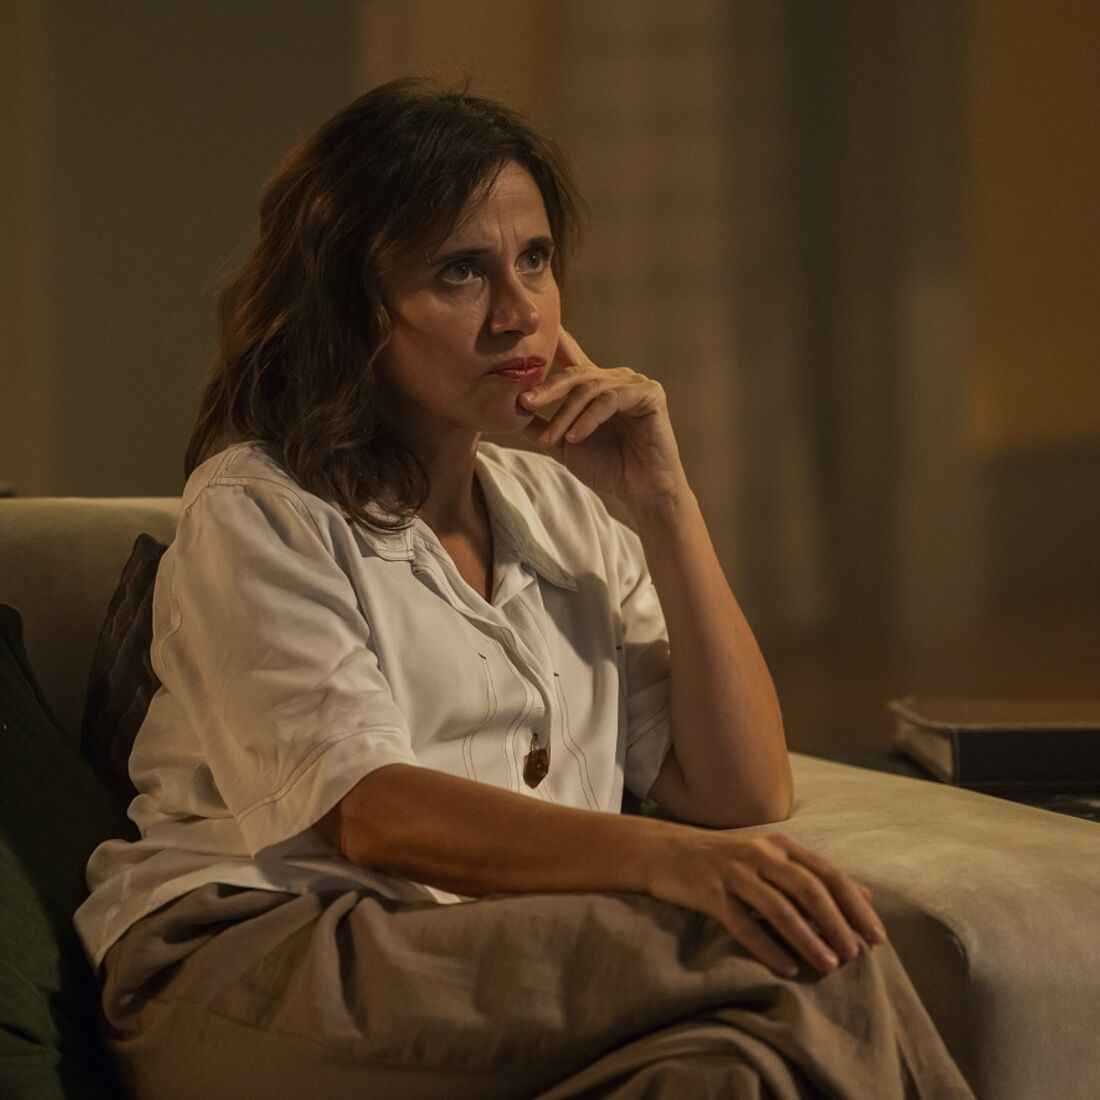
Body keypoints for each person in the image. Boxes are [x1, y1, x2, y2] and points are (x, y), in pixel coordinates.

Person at [74, 79, 973, 1099]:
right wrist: (667, 862)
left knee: (731, 1073)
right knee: (800, 948)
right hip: (254, 957)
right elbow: (368, 814)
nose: (519, 313)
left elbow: (743, 790)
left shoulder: (560, 510)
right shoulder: (258, 507)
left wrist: (664, 505)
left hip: (471, 951)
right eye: (460, 272)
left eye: (535, 260)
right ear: (353, 307)